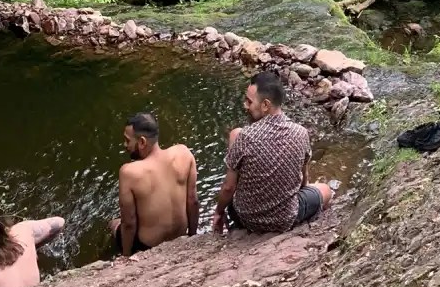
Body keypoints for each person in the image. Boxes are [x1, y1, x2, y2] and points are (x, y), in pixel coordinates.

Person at [211, 72, 333, 234]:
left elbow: (228, 187)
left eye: (249, 101)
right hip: (284, 220)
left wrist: (219, 212)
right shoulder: (301, 133)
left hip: (246, 218)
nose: (245, 105)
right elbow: (303, 182)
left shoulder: (244, 137)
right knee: (326, 190)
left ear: (265, 105)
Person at [110, 112, 199, 256]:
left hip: (147, 245)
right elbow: (193, 201)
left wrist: (127, 256)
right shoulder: (184, 153)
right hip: (180, 235)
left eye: (128, 140)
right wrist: (192, 236)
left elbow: (129, 223)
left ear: (142, 142)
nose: (125, 145)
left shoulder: (129, 172)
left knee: (114, 223)